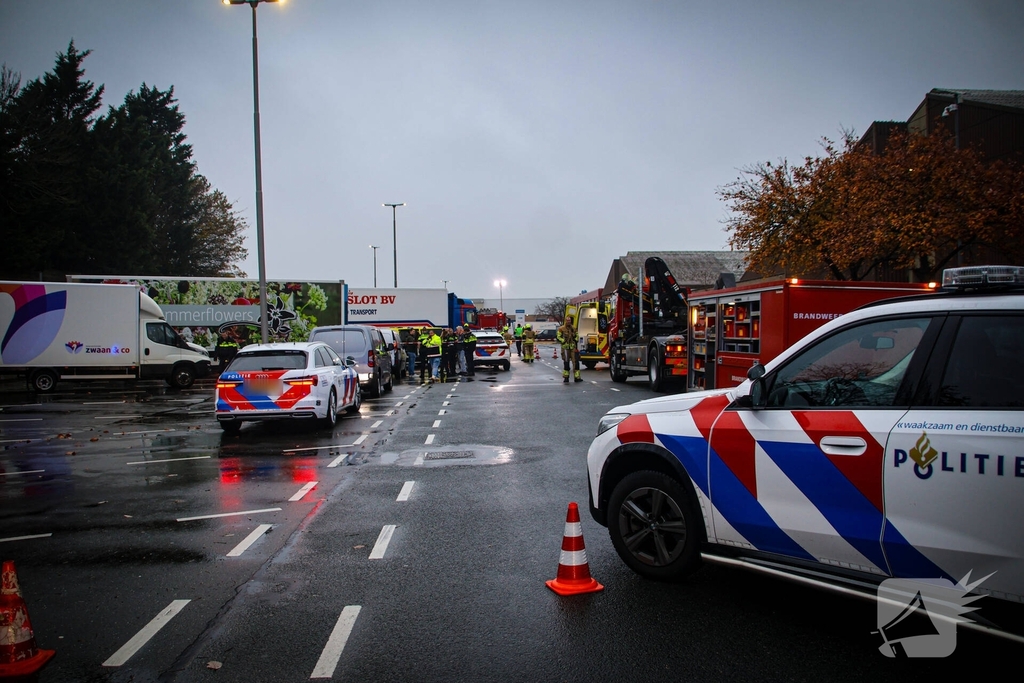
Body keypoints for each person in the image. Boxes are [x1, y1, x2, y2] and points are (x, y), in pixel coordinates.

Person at [557, 316, 582, 383]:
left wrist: (575, 339)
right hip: (565, 348)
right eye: (567, 320)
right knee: (566, 362)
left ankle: (577, 377)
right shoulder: (561, 329)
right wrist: (563, 341)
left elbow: (577, 335)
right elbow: (558, 336)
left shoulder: (574, 328)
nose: (568, 322)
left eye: (569, 320)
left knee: (576, 362)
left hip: (573, 347)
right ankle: (566, 377)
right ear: (565, 321)